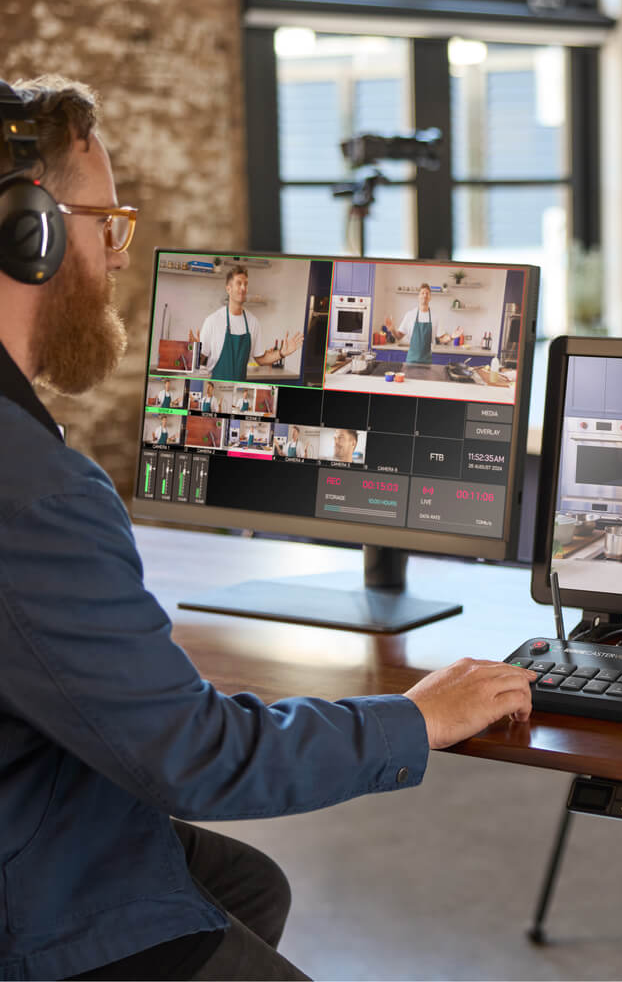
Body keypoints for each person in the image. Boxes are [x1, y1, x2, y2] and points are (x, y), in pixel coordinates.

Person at [0, 75, 535, 981]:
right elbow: (194, 757)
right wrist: (412, 718)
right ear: (32, 233)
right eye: (107, 225)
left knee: (247, 887)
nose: (120, 258)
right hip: (32, 907)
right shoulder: (39, 494)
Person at [191, 266, 302, 381]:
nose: (243, 288)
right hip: (216, 386)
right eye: (239, 283)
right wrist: (193, 351)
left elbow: (261, 358)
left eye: (246, 284)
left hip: (240, 385)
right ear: (228, 289)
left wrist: (281, 353)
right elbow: (200, 360)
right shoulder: (212, 321)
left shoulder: (252, 322)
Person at [383, 282, 463, 364]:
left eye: (427, 293)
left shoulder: (435, 317)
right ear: (418, 296)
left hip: (427, 361)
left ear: (430, 297)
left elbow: (441, 338)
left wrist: (451, 337)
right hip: (411, 360)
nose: (425, 295)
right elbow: (398, 336)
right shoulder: (410, 314)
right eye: (422, 293)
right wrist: (392, 329)